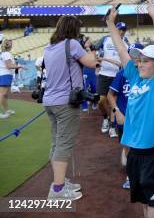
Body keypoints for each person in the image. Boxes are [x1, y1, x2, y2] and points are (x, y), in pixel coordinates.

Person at [106, 3, 154, 218]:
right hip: (134, 151)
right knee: (144, 202)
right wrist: (110, 23)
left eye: (145, 61)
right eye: (139, 60)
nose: (139, 64)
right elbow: (122, 50)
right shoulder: (134, 77)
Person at [43, 16, 98, 200]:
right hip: (66, 102)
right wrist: (89, 46)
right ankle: (58, 189)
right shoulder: (72, 44)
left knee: (56, 142)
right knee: (64, 144)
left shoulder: (49, 47)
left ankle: (59, 181)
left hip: (50, 100)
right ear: (72, 29)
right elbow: (91, 62)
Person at [107, 42, 144, 190]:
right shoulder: (122, 74)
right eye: (132, 53)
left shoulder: (146, 74)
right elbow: (110, 95)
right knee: (129, 148)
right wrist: (117, 111)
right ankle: (130, 176)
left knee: (141, 147)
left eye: (138, 54)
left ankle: (139, 174)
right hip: (125, 117)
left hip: (141, 118)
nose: (134, 57)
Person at [94, 22, 129, 138]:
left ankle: (113, 126)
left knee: (115, 102)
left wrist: (104, 58)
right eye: (120, 29)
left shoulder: (126, 44)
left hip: (117, 75)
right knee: (101, 101)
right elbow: (94, 49)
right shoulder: (105, 39)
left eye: (124, 30)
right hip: (104, 74)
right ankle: (106, 118)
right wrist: (97, 63)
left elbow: (122, 64)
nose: (122, 32)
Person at [0, 40, 22, 118]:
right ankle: (6, 112)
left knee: (5, 94)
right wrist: (20, 66)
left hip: (6, 75)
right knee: (2, 94)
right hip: (5, 75)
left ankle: (7, 110)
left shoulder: (5, 54)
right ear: (9, 46)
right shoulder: (7, 54)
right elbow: (9, 66)